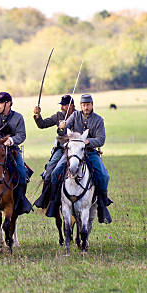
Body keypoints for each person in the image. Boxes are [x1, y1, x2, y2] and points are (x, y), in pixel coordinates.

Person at [47, 94, 112, 224]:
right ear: (80, 106)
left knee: (103, 176)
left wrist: (89, 141)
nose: (85, 107)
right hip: (73, 152)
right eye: (83, 105)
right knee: (55, 173)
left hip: (90, 152)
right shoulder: (75, 116)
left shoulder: (99, 120)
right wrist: (61, 127)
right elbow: (64, 131)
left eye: (87, 105)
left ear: (92, 105)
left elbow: (101, 139)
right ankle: (54, 203)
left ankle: (102, 204)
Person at [33, 94, 72, 210]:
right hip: (61, 149)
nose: (62, 108)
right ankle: (45, 198)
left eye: (64, 105)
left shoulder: (77, 115)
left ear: (71, 106)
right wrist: (37, 115)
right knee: (50, 169)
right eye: (61, 105)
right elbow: (42, 124)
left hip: (74, 148)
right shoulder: (59, 115)